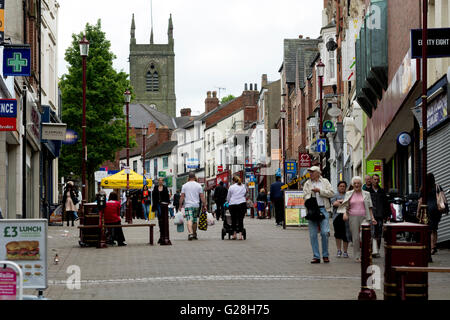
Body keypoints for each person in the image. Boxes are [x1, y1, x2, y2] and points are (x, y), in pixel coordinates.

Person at [339, 176, 377, 262]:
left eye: (358, 183)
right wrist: (345, 214)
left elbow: (370, 207)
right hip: (353, 217)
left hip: (365, 217)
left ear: (361, 184)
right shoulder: (349, 193)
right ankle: (357, 256)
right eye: (355, 183)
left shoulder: (367, 193)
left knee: (363, 236)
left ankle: (366, 254)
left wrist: (372, 218)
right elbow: (345, 206)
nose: (356, 185)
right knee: (355, 238)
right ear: (352, 184)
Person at [303, 166, 335, 264]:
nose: (310, 174)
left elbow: (331, 193)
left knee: (325, 233)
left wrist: (320, 191)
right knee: (313, 235)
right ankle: (316, 256)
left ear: (318, 173)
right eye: (310, 172)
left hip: (323, 209)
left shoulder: (325, 182)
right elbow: (305, 196)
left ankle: (325, 255)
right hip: (312, 210)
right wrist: (311, 194)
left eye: (312, 172)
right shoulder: (307, 183)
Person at [417, 173, 444, 255]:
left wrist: (418, 211)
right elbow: (441, 196)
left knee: (430, 229)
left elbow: (420, 201)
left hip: (427, 209)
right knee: (435, 228)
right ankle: (434, 245)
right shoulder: (437, 186)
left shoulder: (423, 188)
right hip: (437, 209)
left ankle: (431, 247)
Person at [179, 172, 207, 241]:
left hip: (188, 205)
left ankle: (190, 233)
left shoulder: (184, 185)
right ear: (194, 177)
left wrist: (180, 205)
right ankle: (194, 234)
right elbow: (202, 196)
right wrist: (204, 205)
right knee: (194, 220)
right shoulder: (199, 186)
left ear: (188, 177)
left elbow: (182, 196)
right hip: (196, 205)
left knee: (189, 219)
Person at [368, 174, 390, 258]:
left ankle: (377, 250)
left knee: (379, 234)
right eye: (374, 179)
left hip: (380, 215)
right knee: (372, 233)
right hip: (371, 215)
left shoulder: (382, 191)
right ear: (371, 180)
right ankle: (372, 250)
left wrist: (387, 215)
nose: (376, 181)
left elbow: (386, 204)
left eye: (377, 179)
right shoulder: (368, 191)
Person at [331, 181, 350, 258]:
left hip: (346, 216)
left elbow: (350, 204)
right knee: (338, 234)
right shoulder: (334, 195)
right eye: (341, 186)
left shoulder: (348, 195)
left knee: (346, 234)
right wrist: (344, 203)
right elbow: (334, 203)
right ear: (338, 187)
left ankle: (345, 251)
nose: (342, 187)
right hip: (337, 217)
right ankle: (339, 250)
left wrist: (340, 202)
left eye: (343, 186)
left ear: (345, 187)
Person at [227, 176, 248, 240]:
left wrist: (228, 201)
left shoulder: (231, 187)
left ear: (233, 181)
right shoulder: (244, 186)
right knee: (240, 219)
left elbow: (228, 197)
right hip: (242, 204)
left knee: (233, 219)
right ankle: (240, 235)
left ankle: (234, 234)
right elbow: (246, 194)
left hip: (233, 204)